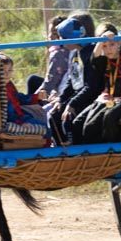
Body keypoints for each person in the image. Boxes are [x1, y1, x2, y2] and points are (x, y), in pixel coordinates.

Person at [71, 26, 121, 145]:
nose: (108, 49)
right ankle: (85, 152)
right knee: (82, 123)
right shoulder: (105, 61)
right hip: (111, 98)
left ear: (119, 43)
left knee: (109, 117)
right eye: (105, 46)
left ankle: (111, 150)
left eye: (112, 45)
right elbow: (94, 59)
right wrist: (101, 41)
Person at [46, 12, 97, 144]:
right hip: (77, 95)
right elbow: (71, 79)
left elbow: (91, 86)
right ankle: (61, 149)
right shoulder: (75, 53)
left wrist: (72, 104)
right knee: (53, 116)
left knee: (69, 120)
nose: (61, 42)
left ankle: (75, 150)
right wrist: (62, 99)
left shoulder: (90, 54)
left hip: (88, 97)